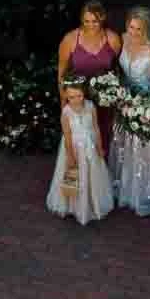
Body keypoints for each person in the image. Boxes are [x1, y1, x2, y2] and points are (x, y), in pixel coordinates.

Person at [110, 8, 150, 216]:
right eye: (131, 27)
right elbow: (118, 69)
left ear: (146, 30)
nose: (133, 32)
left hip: (144, 102)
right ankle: (122, 185)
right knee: (122, 143)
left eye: (139, 29)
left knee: (142, 147)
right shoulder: (123, 40)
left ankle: (144, 191)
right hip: (124, 99)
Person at [46, 79, 114, 225]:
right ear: (66, 96)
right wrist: (70, 155)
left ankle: (93, 201)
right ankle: (74, 206)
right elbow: (67, 136)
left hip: (90, 146)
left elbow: (96, 127)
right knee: (75, 175)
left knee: (93, 174)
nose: (76, 100)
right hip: (74, 148)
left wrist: (100, 146)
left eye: (79, 96)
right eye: (72, 97)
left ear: (84, 94)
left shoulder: (90, 107)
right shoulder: (66, 112)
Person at [57, 0, 121, 150]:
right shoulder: (70, 40)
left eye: (95, 21)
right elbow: (61, 74)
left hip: (104, 103)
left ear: (103, 18)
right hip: (79, 102)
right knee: (80, 146)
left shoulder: (113, 39)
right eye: (86, 21)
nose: (91, 25)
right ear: (81, 20)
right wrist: (64, 105)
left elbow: (116, 69)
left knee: (103, 144)